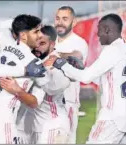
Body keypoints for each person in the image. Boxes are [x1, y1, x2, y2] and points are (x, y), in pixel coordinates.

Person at [45, 13, 126, 144]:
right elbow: (106, 80)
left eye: (99, 29)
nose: (98, 34)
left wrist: (61, 64)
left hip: (112, 118)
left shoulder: (112, 50)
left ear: (107, 29)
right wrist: (81, 69)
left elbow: (86, 78)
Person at [0, 14, 48, 144]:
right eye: (36, 31)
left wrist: (21, 23)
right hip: (1, 119)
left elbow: (1, 25)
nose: (40, 35)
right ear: (23, 35)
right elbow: (45, 82)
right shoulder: (33, 62)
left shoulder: (1, 44)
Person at [0, 25, 76, 144]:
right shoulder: (34, 61)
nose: (37, 47)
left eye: (42, 43)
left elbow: (35, 101)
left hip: (53, 125)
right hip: (35, 126)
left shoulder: (54, 67)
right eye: (36, 42)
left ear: (52, 44)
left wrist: (17, 90)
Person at [53, 6, 88, 144]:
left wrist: (52, 55)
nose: (60, 22)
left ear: (74, 22)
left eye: (65, 19)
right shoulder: (49, 40)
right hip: (46, 103)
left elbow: (76, 56)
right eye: (57, 18)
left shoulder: (79, 43)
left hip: (68, 102)